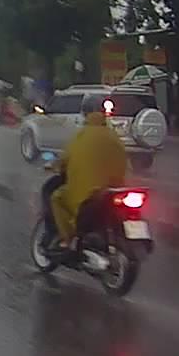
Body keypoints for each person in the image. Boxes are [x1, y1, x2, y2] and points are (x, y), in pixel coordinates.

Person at [50, 94, 128, 252]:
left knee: (57, 198)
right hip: (115, 190)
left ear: (86, 113)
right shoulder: (113, 135)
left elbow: (65, 159)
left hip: (90, 194)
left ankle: (68, 240)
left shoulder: (81, 135)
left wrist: (55, 166)